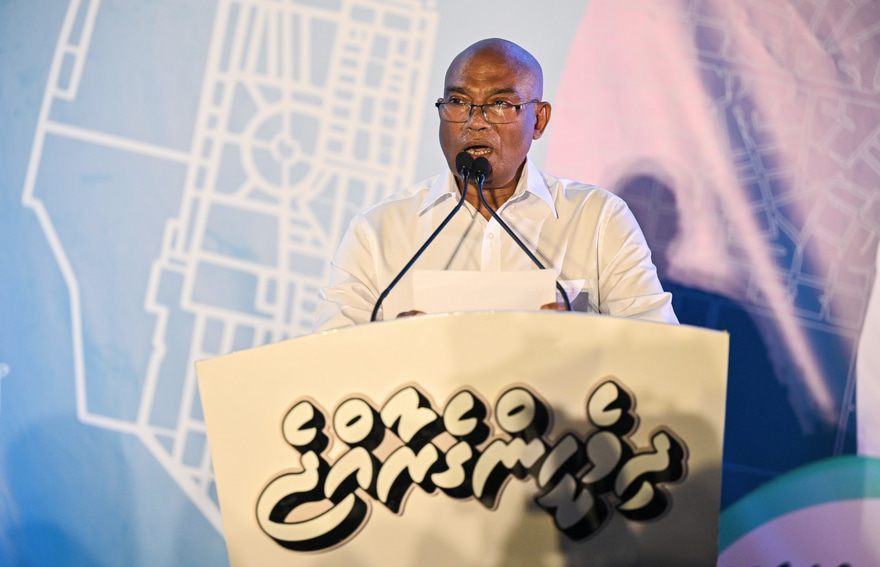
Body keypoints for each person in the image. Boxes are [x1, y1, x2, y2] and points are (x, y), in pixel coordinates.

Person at [312, 38, 677, 332]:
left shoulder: (597, 219)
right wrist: (392, 349)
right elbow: (326, 362)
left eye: (500, 104)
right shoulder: (377, 231)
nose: (476, 122)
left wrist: (582, 341)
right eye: (458, 102)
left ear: (539, 120)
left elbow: (660, 349)